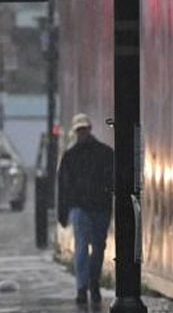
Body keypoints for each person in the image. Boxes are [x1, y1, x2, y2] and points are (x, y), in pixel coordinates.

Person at [57, 113, 114, 305]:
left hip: (88, 205)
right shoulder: (105, 153)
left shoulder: (71, 156)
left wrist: (63, 212)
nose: (82, 133)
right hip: (94, 206)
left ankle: (87, 285)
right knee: (90, 246)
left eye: (83, 129)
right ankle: (88, 285)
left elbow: (64, 186)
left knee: (92, 247)